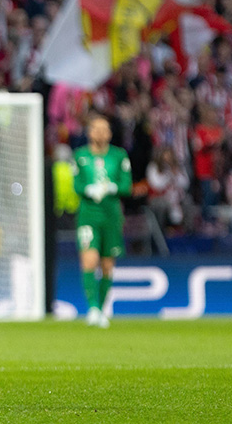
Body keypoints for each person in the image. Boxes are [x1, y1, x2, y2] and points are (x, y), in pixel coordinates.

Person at [72, 114, 131, 328]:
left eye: (105, 129)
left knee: (107, 265)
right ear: (89, 132)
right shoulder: (80, 156)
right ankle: (93, 309)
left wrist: (112, 187)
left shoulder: (119, 155)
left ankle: (101, 309)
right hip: (89, 216)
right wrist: (89, 189)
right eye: (96, 129)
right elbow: (76, 185)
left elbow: (127, 185)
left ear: (110, 133)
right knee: (89, 260)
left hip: (111, 216)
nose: (100, 133)